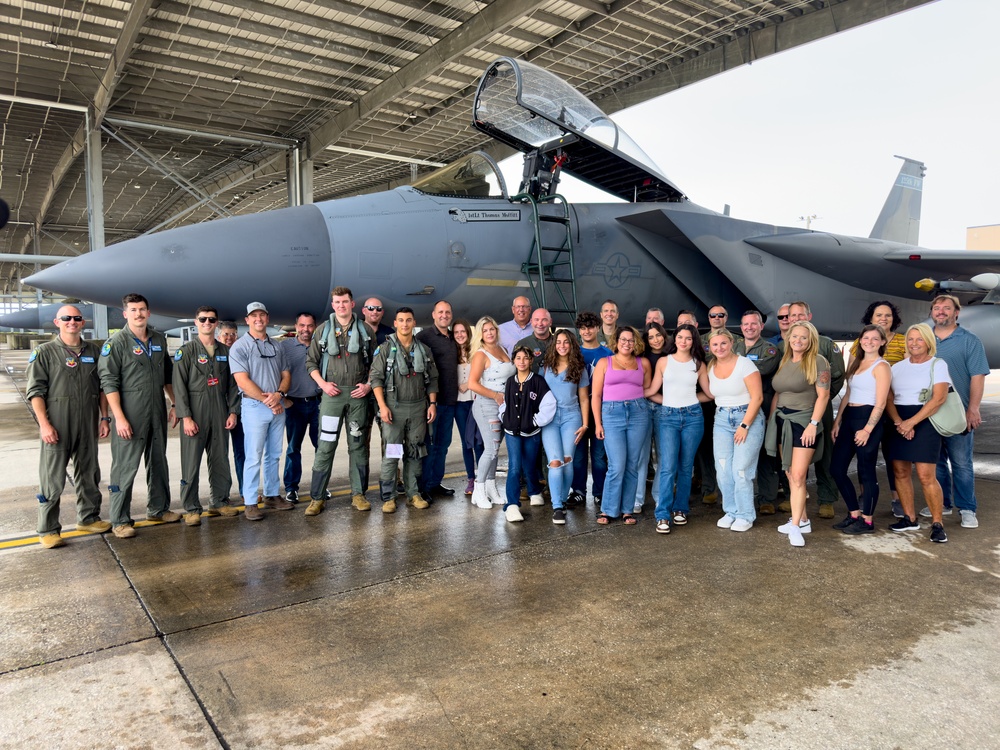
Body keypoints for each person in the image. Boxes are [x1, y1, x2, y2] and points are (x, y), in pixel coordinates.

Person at [28, 305, 111, 548]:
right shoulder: (44, 352)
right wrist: (44, 425)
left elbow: (103, 387)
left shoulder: (93, 352)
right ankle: (48, 528)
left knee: (88, 472)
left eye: (76, 318)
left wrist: (104, 418)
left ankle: (88, 518)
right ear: (57, 322)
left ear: (83, 322)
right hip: (58, 423)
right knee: (52, 478)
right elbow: (36, 392)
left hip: (86, 422)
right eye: (66, 318)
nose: (71, 322)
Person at [99, 293, 179, 538]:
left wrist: (175, 404)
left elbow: (167, 376)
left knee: (158, 461)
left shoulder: (158, 339)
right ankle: (120, 519)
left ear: (149, 312)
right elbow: (108, 383)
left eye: (142, 309)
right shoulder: (116, 343)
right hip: (130, 411)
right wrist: (119, 418)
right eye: (133, 310)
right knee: (125, 466)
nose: (138, 314)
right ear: (125, 314)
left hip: (156, 408)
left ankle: (158, 509)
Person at [305, 287, 376, 515]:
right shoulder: (323, 331)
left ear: (352, 304)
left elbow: (376, 366)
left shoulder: (365, 331)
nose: (341, 305)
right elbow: (311, 364)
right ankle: (316, 498)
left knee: (357, 446)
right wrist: (323, 385)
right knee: (325, 446)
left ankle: (358, 494)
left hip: (357, 397)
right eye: (337, 302)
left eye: (345, 302)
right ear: (333, 305)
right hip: (331, 397)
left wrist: (367, 385)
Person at [173, 306, 241, 525]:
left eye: (211, 320)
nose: (207, 323)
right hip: (195, 410)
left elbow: (232, 384)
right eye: (203, 319)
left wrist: (233, 411)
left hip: (220, 410)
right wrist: (186, 417)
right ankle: (192, 507)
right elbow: (179, 386)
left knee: (220, 458)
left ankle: (220, 501)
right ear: (196, 322)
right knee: (191, 462)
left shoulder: (225, 351)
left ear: (216, 323)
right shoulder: (186, 351)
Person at [766, 321, 831, 547]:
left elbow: (823, 396)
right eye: (795, 337)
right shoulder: (785, 360)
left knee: (799, 476)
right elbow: (778, 393)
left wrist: (814, 423)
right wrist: (771, 420)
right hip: (782, 421)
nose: (798, 341)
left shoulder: (818, 361)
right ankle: (802, 520)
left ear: (810, 339)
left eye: (803, 337)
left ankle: (795, 527)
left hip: (803, 421)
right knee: (789, 472)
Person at [885, 323, 951, 543]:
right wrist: (899, 422)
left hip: (925, 419)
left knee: (925, 475)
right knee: (900, 472)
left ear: (928, 342)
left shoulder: (937, 364)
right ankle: (909, 517)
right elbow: (889, 399)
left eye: (919, 339)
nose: (914, 343)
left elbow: (939, 398)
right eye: (911, 339)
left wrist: (911, 423)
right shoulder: (897, 368)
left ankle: (937, 523)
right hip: (899, 421)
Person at [370, 307, 439, 513]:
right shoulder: (384, 350)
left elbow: (433, 379)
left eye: (409, 320)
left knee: (416, 452)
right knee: (392, 453)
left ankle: (413, 494)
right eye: (401, 320)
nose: (405, 324)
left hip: (418, 408)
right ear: (396, 323)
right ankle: (389, 497)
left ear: (413, 322)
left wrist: (432, 404)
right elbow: (376, 379)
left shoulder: (424, 350)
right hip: (394, 409)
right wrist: (382, 407)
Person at [929, 294, 989, 529]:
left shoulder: (970, 340)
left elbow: (977, 376)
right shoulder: (924, 338)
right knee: (936, 463)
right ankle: (942, 503)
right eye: (936, 308)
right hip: (930, 413)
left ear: (956, 313)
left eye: (946, 308)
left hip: (958, 413)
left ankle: (967, 508)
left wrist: (973, 409)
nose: (941, 311)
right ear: (931, 312)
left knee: (961, 463)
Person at [229, 301, 293, 521]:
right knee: (254, 455)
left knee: (274, 454)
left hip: (277, 405)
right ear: (247, 320)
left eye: (262, 315)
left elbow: (285, 375)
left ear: (267, 318)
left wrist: (280, 395)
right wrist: (270, 400)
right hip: (255, 406)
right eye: (253, 316)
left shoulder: (277, 346)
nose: (258, 319)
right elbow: (242, 380)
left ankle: (272, 494)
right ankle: (249, 501)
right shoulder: (240, 346)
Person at [643, 323, 709, 534]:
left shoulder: (698, 364)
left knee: (685, 466)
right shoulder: (663, 361)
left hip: (692, 417)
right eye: (680, 337)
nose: (683, 341)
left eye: (688, 338)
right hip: (668, 417)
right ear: (675, 338)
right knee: (667, 466)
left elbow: (709, 393)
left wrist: (690, 401)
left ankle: (680, 509)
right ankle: (662, 515)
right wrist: (669, 400)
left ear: (693, 341)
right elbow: (651, 390)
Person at [786, 300, 845, 519]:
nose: (796, 318)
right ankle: (793, 499)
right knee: (792, 456)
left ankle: (827, 498)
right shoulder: (786, 344)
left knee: (824, 452)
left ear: (809, 317)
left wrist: (821, 398)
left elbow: (838, 376)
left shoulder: (826, 344)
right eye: (792, 315)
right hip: (793, 410)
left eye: (801, 314)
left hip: (819, 407)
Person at [830, 325, 891, 534]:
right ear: (861, 340)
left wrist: (867, 429)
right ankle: (854, 513)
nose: (870, 342)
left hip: (868, 419)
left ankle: (867, 520)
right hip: (850, 418)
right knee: (836, 469)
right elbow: (848, 394)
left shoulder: (881, 366)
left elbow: (881, 403)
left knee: (866, 472)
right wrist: (838, 420)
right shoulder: (857, 363)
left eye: (875, 339)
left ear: (883, 342)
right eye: (866, 338)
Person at [849, 300, 907, 516]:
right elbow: (852, 375)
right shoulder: (860, 343)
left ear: (894, 319)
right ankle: (865, 494)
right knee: (866, 456)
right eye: (878, 315)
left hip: (894, 407)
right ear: (871, 319)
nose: (883, 318)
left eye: (888, 315)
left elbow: (907, 373)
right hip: (867, 408)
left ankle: (897, 498)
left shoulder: (902, 342)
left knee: (894, 456)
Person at [707, 329, 765, 532]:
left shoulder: (745, 364)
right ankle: (731, 511)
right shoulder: (710, 366)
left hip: (746, 417)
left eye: (723, 343)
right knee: (723, 470)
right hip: (722, 419)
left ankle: (745, 514)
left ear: (731, 343)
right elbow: (711, 394)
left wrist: (744, 426)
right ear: (710, 347)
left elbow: (757, 398)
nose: (719, 348)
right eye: (715, 345)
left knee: (740, 470)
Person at [592, 326, 651, 524]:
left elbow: (648, 389)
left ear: (636, 343)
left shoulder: (643, 363)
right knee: (616, 465)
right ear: (616, 342)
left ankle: (627, 510)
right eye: (623, 340)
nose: (627, 343)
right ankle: (608, 510)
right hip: (611, 413)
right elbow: (596, 395)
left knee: (632, 465)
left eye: (631, 340)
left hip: (639, 413)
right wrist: (598, 423)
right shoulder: (604, 362)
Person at [501, 346, 556, 522]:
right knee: (515, 466)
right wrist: (504, 417)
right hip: (512, 432)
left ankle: (533, 491)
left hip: (531, 432)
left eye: (526, 358)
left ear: (531, 360)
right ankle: (511, 505)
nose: (522, 361)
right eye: (518, 358)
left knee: (530, 465)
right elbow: (504, 403)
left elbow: (549, 404)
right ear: (514, 361)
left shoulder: (538, 382)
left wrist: (534, 421)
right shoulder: (510, 382)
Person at [540, 331, 590, 525]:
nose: (562, 345)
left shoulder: (579, 368)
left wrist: (585, 424)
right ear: (554, 345)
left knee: (567, 460)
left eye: (566, 342)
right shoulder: (545, 367)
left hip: (571, 417)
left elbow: (584, 398)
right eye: (558, 342)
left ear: (572, 345)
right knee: (555, 462)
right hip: (550, 418)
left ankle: (561, 500)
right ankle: (557, 507)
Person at [735, 310, 781, 515]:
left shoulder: (770, 350)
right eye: (745, 324)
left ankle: (767, 499)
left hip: (762, 405)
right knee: (738, 455)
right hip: (735, 407)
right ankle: (738, 500)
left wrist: (733, 368)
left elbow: (761, 370)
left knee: (765, 454)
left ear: (761, 326)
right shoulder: (733, 346)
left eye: (754, 324)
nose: (749, 327)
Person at [467, 316, 515, 509]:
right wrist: (495, 395)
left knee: (495, 450)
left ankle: (491, 487)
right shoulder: (481, 354)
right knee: (491, 449)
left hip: (503, 406)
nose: (489, 333)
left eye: (492, 329)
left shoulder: (502, 349)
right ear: (481, 334)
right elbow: (472, 384)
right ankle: (478, 491)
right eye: (485, 330)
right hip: (487, 405)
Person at [417, 300, 459, 499]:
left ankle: (435, 483)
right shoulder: (423, 337)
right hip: (430, 404)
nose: (444, 315)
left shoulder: (454, 338)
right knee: (430, 446)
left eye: (447, 312)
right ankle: (423, 487)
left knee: (443, 445)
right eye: (440, 312)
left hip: (450, 401)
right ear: (433, 314)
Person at [570, 311, 610, 508]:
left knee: (599, 456)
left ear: (598, 328)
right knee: (577, 456)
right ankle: (578, 491)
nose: (587, 331)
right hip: (577, 411)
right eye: (583, 328)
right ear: (579, 330)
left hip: (601, 412)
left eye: (591, 327)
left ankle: (600, 492)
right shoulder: (573, 353)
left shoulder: (608, 354)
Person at [281, 312, 321, 504]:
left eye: (310, 326)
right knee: (292, 448)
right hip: (294, 404)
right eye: (302, 325)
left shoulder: (322, 345)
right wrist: (283, 398)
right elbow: (275, 372)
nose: (306, 330)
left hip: (318, 404)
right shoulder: (285, 346)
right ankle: (291, 488)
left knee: (322, 448)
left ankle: (320, 487)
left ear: (315, 327)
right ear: (295, 326)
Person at [635, 323, 669, 513]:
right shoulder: (641, 358)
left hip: (667, 411)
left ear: (664, 335)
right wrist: (664, 399)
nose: (655, 340)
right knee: (641, 456)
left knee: (665, 456)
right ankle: (637, 499)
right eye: (651, 337)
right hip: (646, 408)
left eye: (658, 335)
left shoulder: (672, 356)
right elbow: (640, 387)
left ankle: (659, 496)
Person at [453, 319, 482, 497]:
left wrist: (468, 384)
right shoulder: (450, 353)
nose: (460, 335)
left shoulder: (477, 352)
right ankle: (470, 478)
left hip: (475, 401)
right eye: (456, 332)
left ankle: (482, 478)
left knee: (478, 440)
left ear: (468, 333)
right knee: (466, 442)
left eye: (462, 331)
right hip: (459, 403)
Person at [217, 321, 245, 501]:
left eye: (233, 334)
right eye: (226, 334)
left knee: (241, 453)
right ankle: (220, 497)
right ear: (219, 336)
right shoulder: (214, 354)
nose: (229, 338)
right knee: (219, 454)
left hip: (239, 412)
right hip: (218, 410)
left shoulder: (241, 353)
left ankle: (245, 491)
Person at [515, 308, 554, 372]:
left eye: (544, 320)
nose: (540, 324)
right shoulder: (522, 344)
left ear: (550, 322)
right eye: (536, 320)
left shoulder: (559, 343)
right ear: (531, 322)